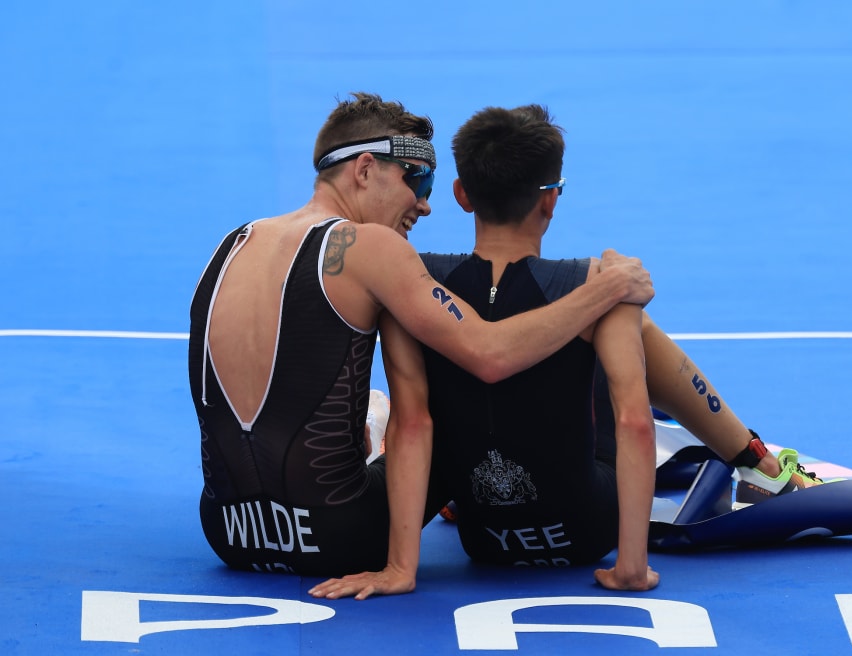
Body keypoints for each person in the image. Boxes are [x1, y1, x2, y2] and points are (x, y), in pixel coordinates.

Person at [308, 104, 821, 600]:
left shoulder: (416, 277)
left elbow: (414, 424)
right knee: (618, 321)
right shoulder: (597, 279)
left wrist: (402, 566)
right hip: (586, 533)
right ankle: (758, 463)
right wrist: (631, 569)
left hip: (483, 539)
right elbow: (635, 424)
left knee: (434, 394)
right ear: (550, 199)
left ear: (463, 195)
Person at [188, 93, 654, 577]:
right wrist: (609, 289)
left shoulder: (234, 243)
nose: (425, 204)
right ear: (364, 169)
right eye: (417, 179)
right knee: (448, 410)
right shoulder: (370, 247)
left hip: (228, 532)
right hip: (341, 535)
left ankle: (371, 425)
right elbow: (489, 353)